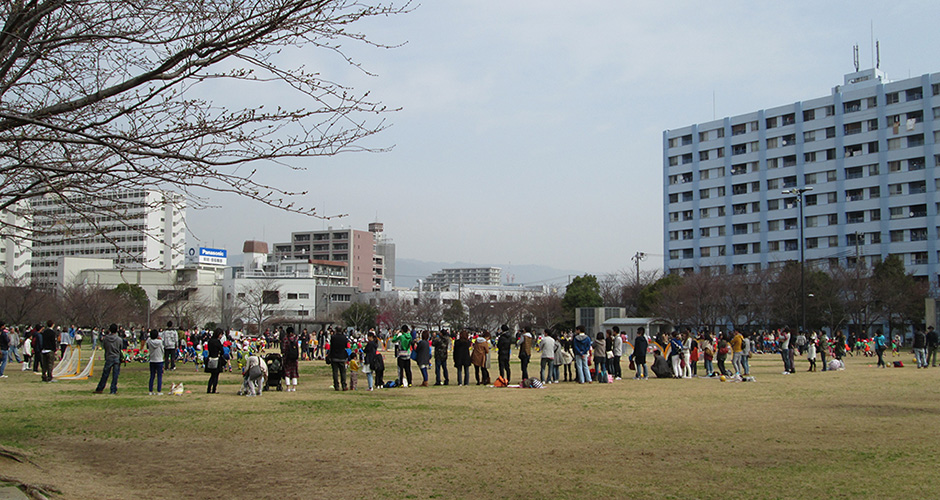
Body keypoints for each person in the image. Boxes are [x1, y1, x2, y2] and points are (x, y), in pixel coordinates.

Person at [95, 324, 123, 394]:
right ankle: (113, 389)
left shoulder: (106, 339)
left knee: (105, 374)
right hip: (116, 357)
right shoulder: (119, 339)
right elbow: (120, 348)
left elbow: (104, 346)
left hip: (109, 357)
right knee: (115, 375)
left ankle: (100, 388)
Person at [205, 328, 225, 394]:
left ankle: (208, 389)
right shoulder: (217, 342)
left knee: (212, 376)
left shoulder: (210, 341)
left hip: (210, 359)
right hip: (216, 359)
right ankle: (214, 389)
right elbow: (222, 351)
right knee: (216, 376)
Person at [281, 327, 300, 391]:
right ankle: (294, 387)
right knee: (294, 372)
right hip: (295, 358)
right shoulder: (296, 338)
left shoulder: (285, 339)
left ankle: (288, 387)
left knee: (287, 373)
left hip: (287, 358)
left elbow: (283, 349)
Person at [147, 329, 165, 395]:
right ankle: (159, 390)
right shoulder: (160, 342)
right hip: (159, 360)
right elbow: (163, 350)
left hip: (152, 360)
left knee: (152, 376)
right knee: (159, 376)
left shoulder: (149, 341)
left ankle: (150, 390)